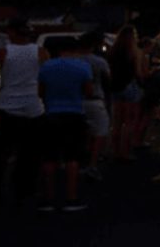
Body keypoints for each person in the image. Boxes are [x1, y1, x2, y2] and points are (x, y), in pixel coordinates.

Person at [0, 17, 46, 208]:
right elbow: (45, 76)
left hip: (6, 106)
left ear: (11, 33)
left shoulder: (3, 53)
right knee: (29, 154)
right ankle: (24, 191)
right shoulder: (41, 52)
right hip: (33, 107)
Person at [36, 35, 93, 212]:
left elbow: (40, 91)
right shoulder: (83, 66)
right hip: (74, 113)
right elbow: (89, 91)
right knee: (73, 157)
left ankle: (48, 198)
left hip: (51, 112)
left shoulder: (46, 66)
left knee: (49, 157)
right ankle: (71, 197)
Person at [107, 25, 148, 162]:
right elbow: (138, 73)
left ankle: (115, 151)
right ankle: (125, 152)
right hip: (130, 86)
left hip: (115, 87)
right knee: (129, 122)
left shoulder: (113, 51)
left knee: (117, 122)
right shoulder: (134, 51)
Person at [75, 31, 111, 182]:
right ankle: (93, 164)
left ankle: (80, 161)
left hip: (76, 101)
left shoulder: (74, 61)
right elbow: (108, 79)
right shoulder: (99, 62)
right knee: (100, 133)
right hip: (95, 100)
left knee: (82, 134)